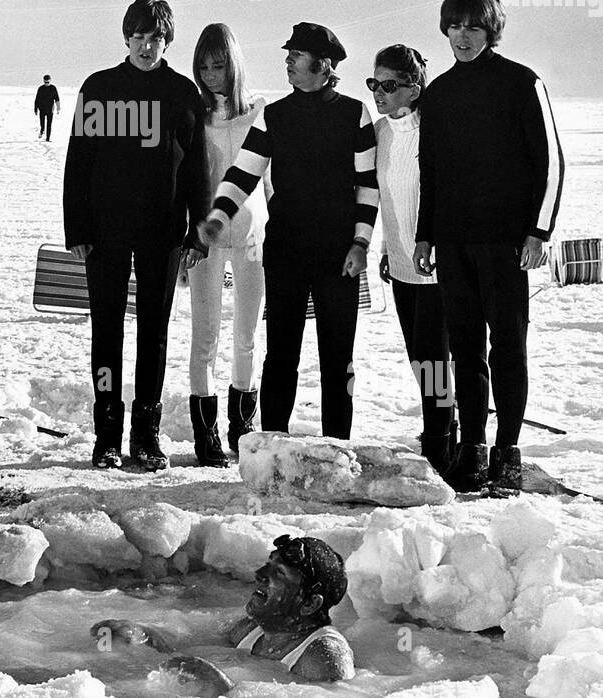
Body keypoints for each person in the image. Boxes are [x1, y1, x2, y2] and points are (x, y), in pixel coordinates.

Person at [413, 0, 564, 495]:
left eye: (473, 26)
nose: (462, 35)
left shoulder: (522, 83)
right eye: (454, 25)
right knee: (465, 351)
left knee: (508, 349)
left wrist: (539, 231)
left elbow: (551, 164)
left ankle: (508, 454)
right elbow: (429, 171)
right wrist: (425, 236)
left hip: (506, 243)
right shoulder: (439, 94)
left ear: (491, 29)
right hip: (453, 242)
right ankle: (473, 451)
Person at [199, 23, 378, 440]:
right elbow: (243, 173)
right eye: (288, 55)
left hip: (339, 253)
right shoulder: (275, 115)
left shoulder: (354, 113)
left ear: (323, 64)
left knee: (339, 357)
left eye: (295, 56)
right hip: (287, 251)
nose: (288, 62)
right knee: (280, 354)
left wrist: (361, 242)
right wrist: (218, 215)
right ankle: (272, 444)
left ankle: (337, 445)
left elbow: (368, 184)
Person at [63, 0, 209, 471]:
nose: (147, 47)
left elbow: (197, 171)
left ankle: (146, 436)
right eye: (139, 37)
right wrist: (78, 227)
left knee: (155, 333)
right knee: (106, 331)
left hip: (163, 232)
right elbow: (78, 164)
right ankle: (107, 436)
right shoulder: (100, 88)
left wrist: (196, 233)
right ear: (126, 38)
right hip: (104, 232)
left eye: (156, 38)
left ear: (167, 41)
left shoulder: (183, 93)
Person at [92, 535, 354, 689]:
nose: (260, 575)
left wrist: (226, 693)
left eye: (279, 574)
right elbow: (191, 642)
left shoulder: (324, 657)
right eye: (267, 566)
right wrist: (145, 635)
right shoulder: (250, 629)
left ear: (309, 604)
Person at [370, 45, 455, 475]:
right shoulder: (382, 133)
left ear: (414, 88)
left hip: (435, 264)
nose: (379, 94)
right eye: (374, 84)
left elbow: (439, 193)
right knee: (418, 356)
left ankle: (444, 437)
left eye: (389, 86)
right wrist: (387, 249)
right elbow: (389, 197)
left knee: (436, 356)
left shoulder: (433, 130)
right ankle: (435, 427)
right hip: (402, 262)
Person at [187, 24, 268, 466]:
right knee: (205, 335)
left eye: (219, 65)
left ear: (233, 64)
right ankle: (206, 435)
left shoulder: (260, 112)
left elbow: (270, 183)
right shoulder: (194, 115)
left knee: (246, 336)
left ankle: (243, 428)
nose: (211, 74)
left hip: (253, 237)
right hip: (206, 239)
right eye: (203, 66)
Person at [34, 74, 60, 142]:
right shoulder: (41, 88)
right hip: (42, 109)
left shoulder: (53, 88)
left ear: (50, 81)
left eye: (48, 82)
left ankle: (48, 138)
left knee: (49, 124)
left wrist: (58, 107)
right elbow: (37, 99)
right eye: (45, 82)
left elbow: (57, 98)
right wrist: (35, 109)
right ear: (43, 81)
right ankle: (42, 130)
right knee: (42, 123)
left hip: (50, 109)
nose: (46, 83)